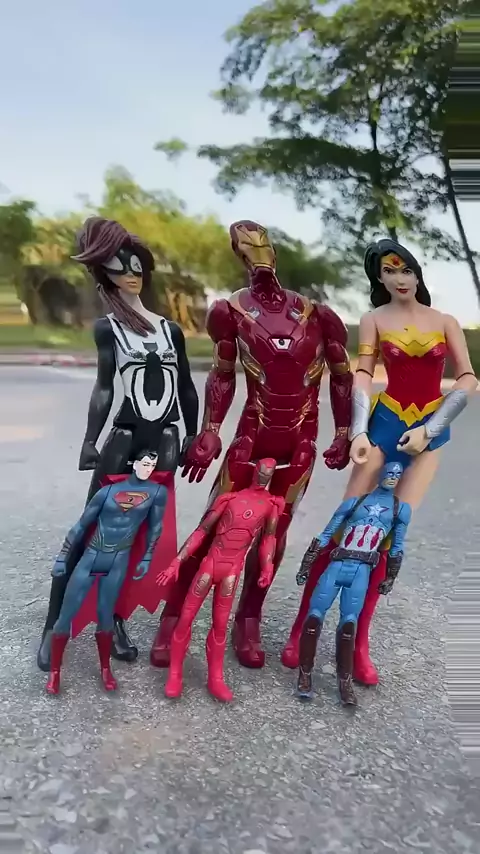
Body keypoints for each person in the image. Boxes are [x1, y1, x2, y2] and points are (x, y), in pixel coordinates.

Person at [150, 220, 353, 671]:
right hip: (251, 434)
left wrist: (343, 433)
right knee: (213, 523)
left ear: (273, 252)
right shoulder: (230, 312)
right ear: (237, 256)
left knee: (273, 531)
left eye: (259, 245)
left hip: (300, 442)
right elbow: (222, 374)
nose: (255, 255)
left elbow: (342, 378)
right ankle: (173, 617)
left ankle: (249, 618)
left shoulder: (317, 315)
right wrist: (210, 429)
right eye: (244, 248)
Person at [282, 238, 478, 683]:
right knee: (346, 522)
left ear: (417, 272)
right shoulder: (374, 319)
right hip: (384, 425)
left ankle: (359, 642)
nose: (399, 278)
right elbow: (363, 375)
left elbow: (467, 378)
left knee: (389, 534)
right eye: (389, 271)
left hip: (430, 431)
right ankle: (301, 628)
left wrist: (431, 429)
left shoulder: (445, 321)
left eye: (405, 268)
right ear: (379, 278)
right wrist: (358, 430)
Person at [37, 217, 198, 671]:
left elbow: (187, 386)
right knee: (92, 529)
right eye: (118, 267)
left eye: (135, 265)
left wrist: (193, 432)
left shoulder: (170, 330)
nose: (130, 274)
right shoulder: (108, 328)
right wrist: (91, 440)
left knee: (143, 535)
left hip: (163, 440)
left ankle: (116, 620)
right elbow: (105, 386)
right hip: (123, 439)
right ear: (103, 274)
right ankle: (54, 626)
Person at [156, 459, 284, 702]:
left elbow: (269, 538)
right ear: (254, 471)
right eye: (261, 472)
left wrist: (267, 567)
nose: (264, 477)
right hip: (211, 564)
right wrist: (177, 561)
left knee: (220, 625)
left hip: (231, 570)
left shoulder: (271, 505)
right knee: (185, 618)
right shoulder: (229, 499)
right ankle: (175, 673)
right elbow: (202, 531)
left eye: (268, 474)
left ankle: (216, 677)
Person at [46, 451, 167, 695]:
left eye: (153, 465)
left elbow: (155, 528)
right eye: (145, 463)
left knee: (105, 615)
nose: (149, 469)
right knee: (66, 614)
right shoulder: (107, 492)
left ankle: (104, 668)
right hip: (93, 555)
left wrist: (147, 557)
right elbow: (81, 526)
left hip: (119, 559)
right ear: (134, 464)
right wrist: (62, 557)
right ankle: (55, 672)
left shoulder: (156, 492)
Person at [296, 462, 410, 706]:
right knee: (314, 617)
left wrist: (390, 576)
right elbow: (326, 534)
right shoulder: (354, 503)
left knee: (349, 624)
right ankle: (304, 675)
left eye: (397, 474)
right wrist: (306, 565)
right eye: (389, 473)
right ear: (380, 474)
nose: (392, 477)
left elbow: (397, 547)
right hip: (338, 563)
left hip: (362, 570)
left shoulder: (400, 509)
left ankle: (344, 681)